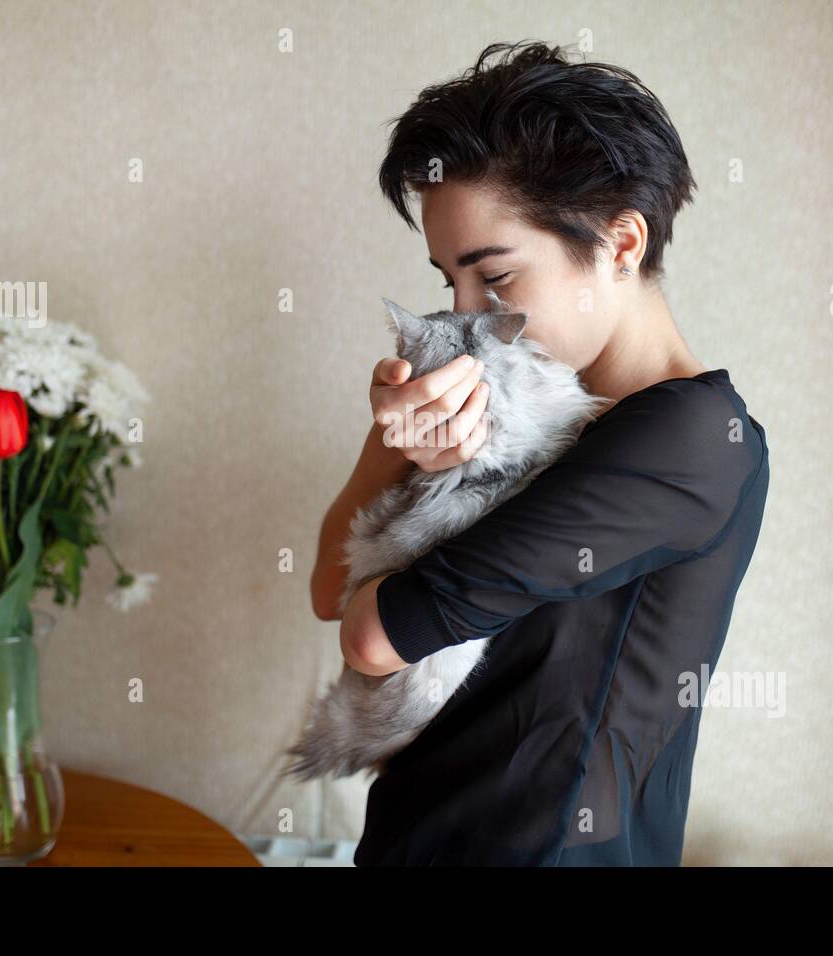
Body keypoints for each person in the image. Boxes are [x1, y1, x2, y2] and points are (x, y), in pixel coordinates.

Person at [309, 40, 769, 865]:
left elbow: (371, 636)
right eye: (449, 280)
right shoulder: (512, 410)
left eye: (495, 277)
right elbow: (324, 587)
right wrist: (395, 442)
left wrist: (415, 511)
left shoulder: (692, 438)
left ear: (621, 244)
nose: (465, 317)